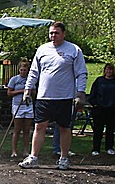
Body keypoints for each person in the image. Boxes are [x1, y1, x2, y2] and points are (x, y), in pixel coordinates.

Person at [19, 21, 87, 170]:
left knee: (64, 127)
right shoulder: (42, 49)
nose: (53, 36)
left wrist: (80, 93)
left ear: (63, 34)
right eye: (51, 33)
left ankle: (63, 158)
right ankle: (34, 157)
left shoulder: (74, 50)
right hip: (44, 96)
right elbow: (34, 72)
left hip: (65, 97)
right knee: (39, 126)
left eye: (56, 33)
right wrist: (27, 89)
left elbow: (81, 73)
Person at [7, 59, 34, 157]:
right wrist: (21, 91)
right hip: (17, 106)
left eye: (25, 70)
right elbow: (9, 93)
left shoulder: (30, 80)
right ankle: (14, 151)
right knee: (17, 129)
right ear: (19, 70)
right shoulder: (14, 79)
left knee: (27, 130)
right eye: (21, 70)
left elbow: (34, 92)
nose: (23, 72)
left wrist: (29, 91)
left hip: (28, 105)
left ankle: (26, 151)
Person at [88, 62, 115, 156]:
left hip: (112, 109)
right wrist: (95, 104)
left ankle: (109, 147)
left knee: (110, 130)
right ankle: (96, 148)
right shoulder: (99, 81)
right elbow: (93, 94)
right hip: (99, 109)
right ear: (104, 71)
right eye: (107, 69)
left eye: (111, 69)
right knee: (98, 130)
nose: (109, 71)